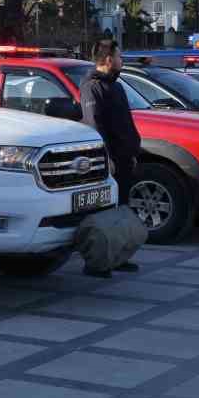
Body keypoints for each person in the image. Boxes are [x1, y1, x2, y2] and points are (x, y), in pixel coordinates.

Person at [80, 39, 142, 278]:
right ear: (108, 60)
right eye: (119, 56)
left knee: (121, 211)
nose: (121, 60)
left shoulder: (116, 86)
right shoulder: (92, 87)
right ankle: (97, 263)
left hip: (124, 158)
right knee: (104, 213)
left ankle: (118, 257)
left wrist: (132, 152)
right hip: (109, 161)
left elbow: (126, 123)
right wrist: (106, 158)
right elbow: (94, 125)